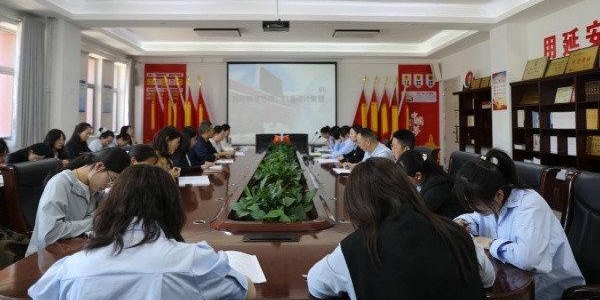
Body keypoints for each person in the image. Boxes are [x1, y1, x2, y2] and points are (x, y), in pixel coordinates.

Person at [27, 165, 255, 299]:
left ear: (113, 204)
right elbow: (247, 291)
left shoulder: (71, 268)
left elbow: (38, 294)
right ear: (172, 207)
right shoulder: (194, 261)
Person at [307, 157, 493, 299]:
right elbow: (488, 278)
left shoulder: (355, 248)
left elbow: (316, 284)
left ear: (357, 204)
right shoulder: (454, 231)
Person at [453, 148, 584, 300]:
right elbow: (477, 219)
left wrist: (489, 242)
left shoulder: (529, 206)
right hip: (514, 281)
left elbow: (528, 259)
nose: (472, 208)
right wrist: (463, 222)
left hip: (551, 292)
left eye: (475, 204)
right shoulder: (493, 202)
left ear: (499, 195)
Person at [26, 147, 131, 256]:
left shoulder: (93, 187)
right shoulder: (59, 184)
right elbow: (50, 233)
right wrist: (93, 222)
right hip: (44, 257)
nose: (109, 186)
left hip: (72, 250)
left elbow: (107, 213)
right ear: (99, 166)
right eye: (111, 179)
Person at [398, 150, 465, 219]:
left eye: (404, 178)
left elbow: (417, 218)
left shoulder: (435, 191)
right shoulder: (425, 178)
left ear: (418, 175)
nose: (402, 181)